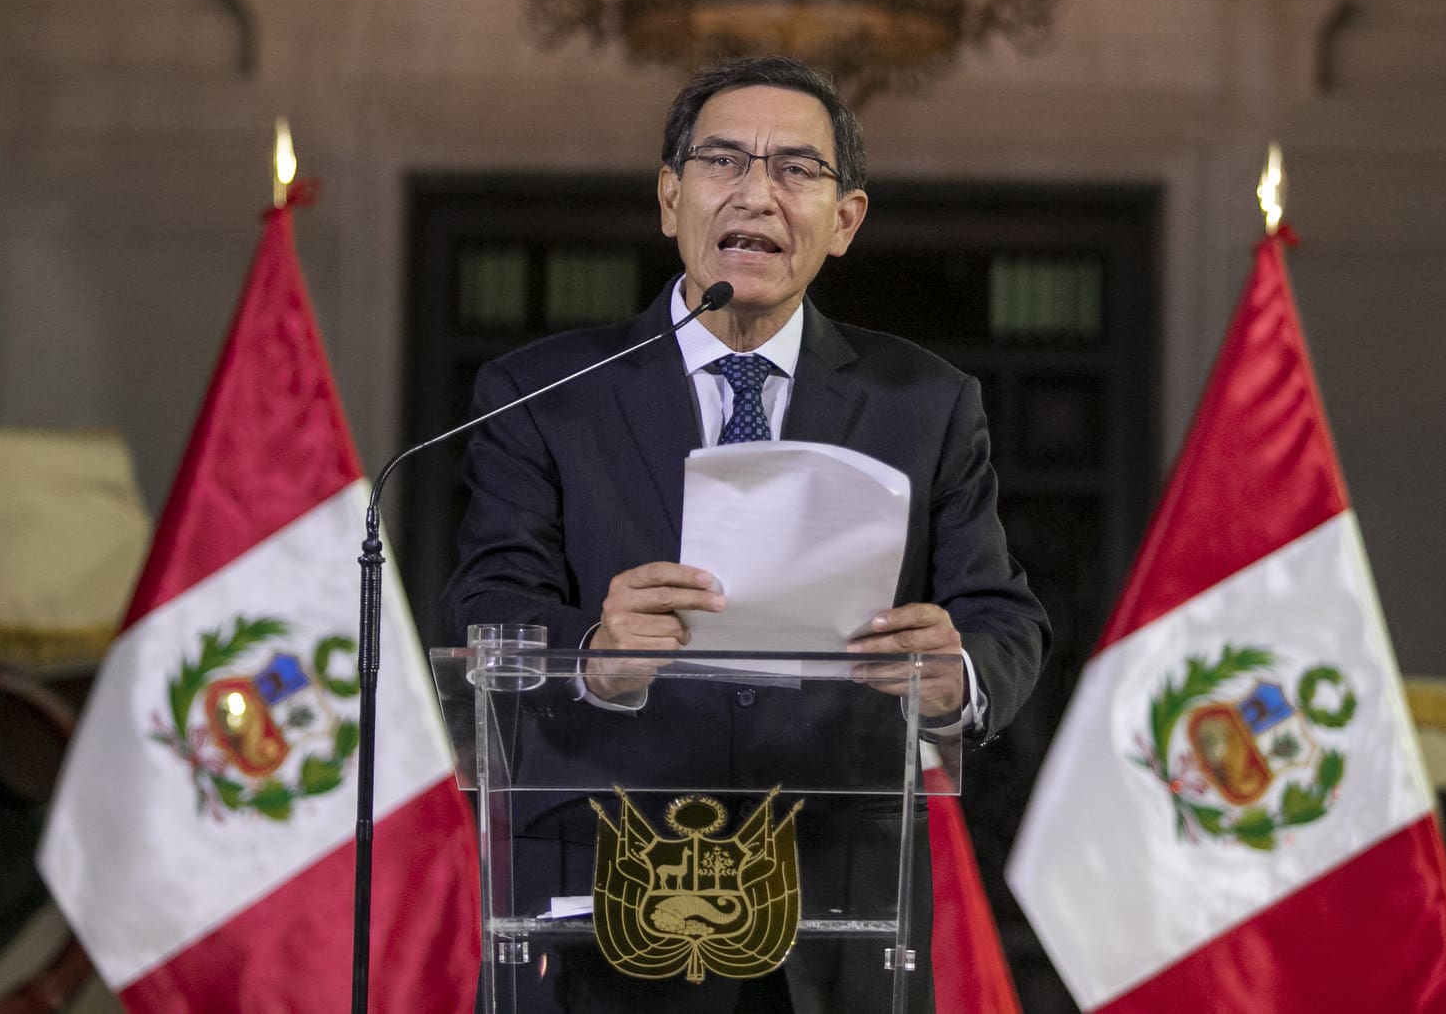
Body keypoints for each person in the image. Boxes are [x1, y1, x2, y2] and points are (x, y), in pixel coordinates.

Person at [447, 55, 1050, 1012]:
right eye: (723, 162)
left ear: (843, 220)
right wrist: (592, 653)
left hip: (837, 913)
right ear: (669, 197)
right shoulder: (542, 394)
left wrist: (958, 672)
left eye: (795, 170)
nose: (755, 194)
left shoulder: (924, 404)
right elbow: (488, 606)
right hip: (610, 905)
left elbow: (1001, 617)